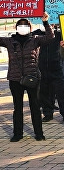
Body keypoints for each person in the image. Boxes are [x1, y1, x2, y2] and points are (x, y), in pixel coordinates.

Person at [1, 12, 53, 142]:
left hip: (32, 78)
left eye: (25, 25)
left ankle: (39, 133)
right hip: (15, 78)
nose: (23, 27)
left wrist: (45, 22)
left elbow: (50, 37)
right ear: (16, 27)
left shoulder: (35, 40)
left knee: (35, 106)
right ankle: (17, 133)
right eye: (20, 25)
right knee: (17, 107)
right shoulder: (10, 41)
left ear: (29, 28)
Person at [33, 24, 64, 124]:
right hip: (42, 67)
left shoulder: (59, 34)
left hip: (56, 66)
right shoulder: (36, 34)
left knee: (61, 93)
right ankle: (48, 113)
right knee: (45, 93)